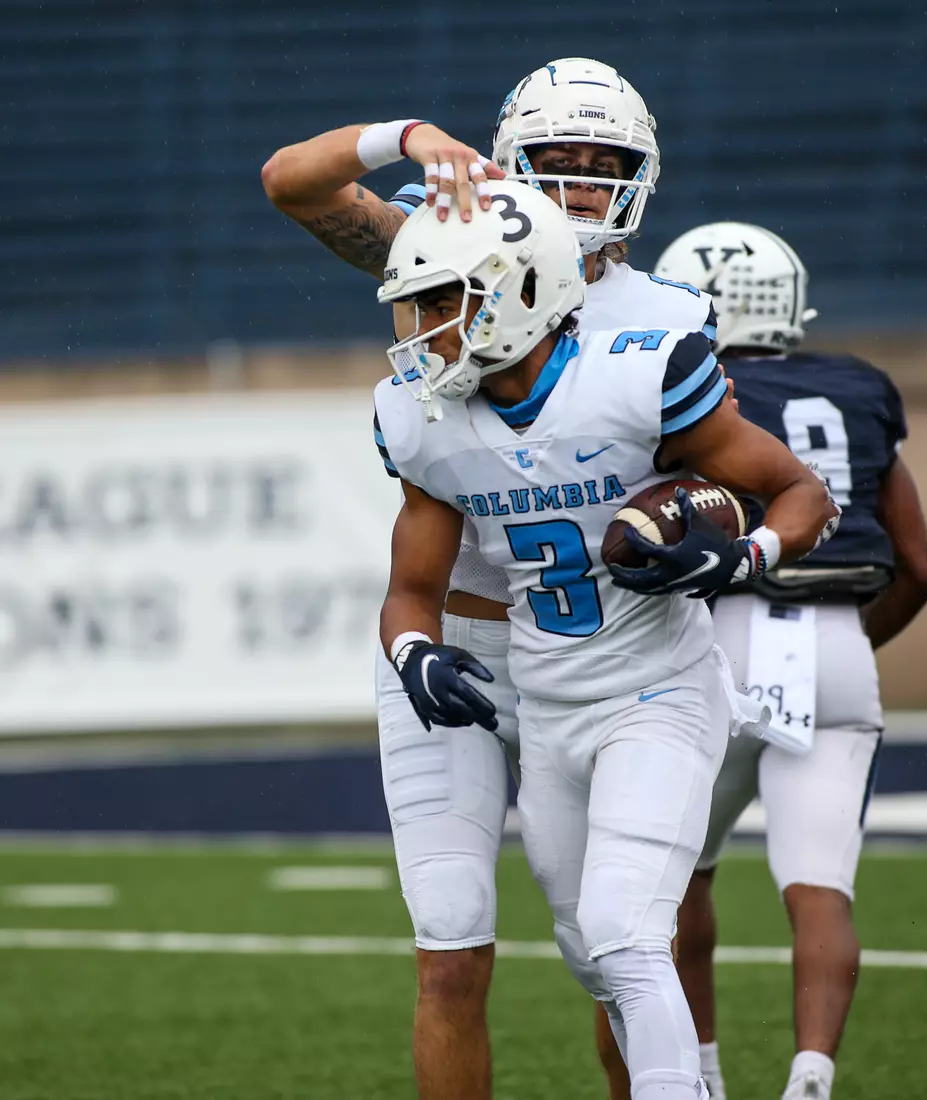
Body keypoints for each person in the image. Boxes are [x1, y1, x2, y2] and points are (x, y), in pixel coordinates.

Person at [263, 58, 716, 1100]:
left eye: (602, 168)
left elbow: (720, 482)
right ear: (506, 167)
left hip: (608, 656)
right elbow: (291, 180)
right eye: (553, 165)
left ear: (641, 179)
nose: (576, 189)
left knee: (621, 948)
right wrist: (406, 134)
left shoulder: (669, 317)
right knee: (453, 942)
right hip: (457, 640)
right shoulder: (451, 239)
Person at [375, 184, 839, 1100]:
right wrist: (414, 656)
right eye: (416, 303)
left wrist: (745, 556)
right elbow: (410, 593)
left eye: (443, 301)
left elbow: (803, 494)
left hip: (658, 690)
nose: (423, 328)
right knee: (595, 956)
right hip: (548, 709)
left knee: (628, 935)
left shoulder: (638, 373)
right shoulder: (421, 417)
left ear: (519, 291)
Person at [652, 222, 927, 1100]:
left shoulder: (688, 390)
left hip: (717, 636)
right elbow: (920, 569)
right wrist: (839, 651)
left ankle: (698, 1074)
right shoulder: (857, 388)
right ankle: (811, 1071)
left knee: (671, 880)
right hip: (837, 641)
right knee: (820, 889)